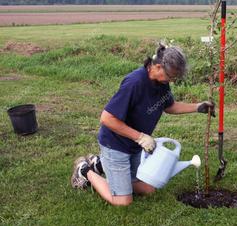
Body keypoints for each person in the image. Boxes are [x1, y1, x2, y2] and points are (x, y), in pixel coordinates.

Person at [71, 43, 215, 206]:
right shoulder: (134, 83)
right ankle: (84, 170)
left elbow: (169, 106)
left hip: (134, 148)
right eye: (171, 77)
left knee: (148, 189)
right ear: (158, 67)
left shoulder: (161, 83)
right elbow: (107, 118)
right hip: (116, 145)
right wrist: (140, 137)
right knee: (123, 202)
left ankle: (99, 163)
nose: (172, 81)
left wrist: (197, 107)